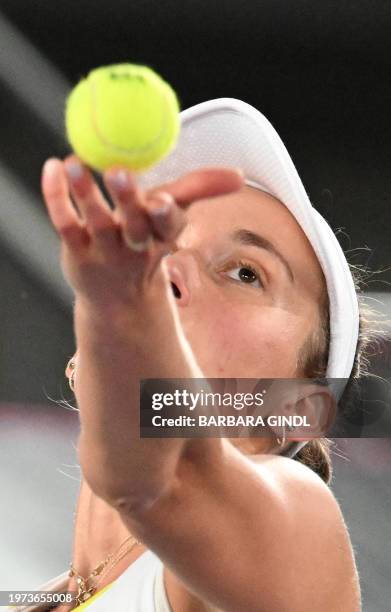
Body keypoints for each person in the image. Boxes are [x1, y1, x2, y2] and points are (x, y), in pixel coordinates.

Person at [12, 98, 370, 611]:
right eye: (167, 245)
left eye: (246, 272)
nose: (167, 269)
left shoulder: (300, 528)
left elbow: (155, 477)